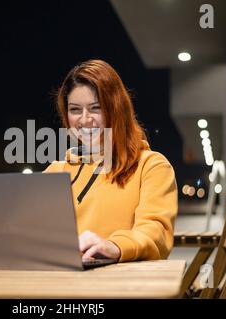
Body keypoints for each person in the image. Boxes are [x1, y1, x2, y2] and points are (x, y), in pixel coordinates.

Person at [43, 59, 178, 262]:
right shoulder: (57, 170)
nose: (85, 119)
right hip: (60, 280)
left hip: (120, 285)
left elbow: (155, 233)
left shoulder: (152, 166)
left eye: (96, 108)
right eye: (75, 109)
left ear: (116, 109)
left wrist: (115, 246)